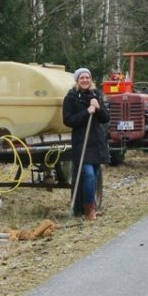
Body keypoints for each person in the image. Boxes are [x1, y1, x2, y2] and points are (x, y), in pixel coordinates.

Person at [63, 68, 110, 220]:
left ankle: (90, 207)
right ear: (77, 80)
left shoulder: (97, 95)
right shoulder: (71, 98)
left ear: (90, 80)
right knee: (88, 175)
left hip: (96, 141)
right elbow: (68, 120)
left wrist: (98, 107)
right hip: (81, 143)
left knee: (94, 176)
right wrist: (87, 112)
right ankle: (89, 208)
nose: (85, 80)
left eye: (87, 77)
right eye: (81, 78)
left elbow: (105, 118)